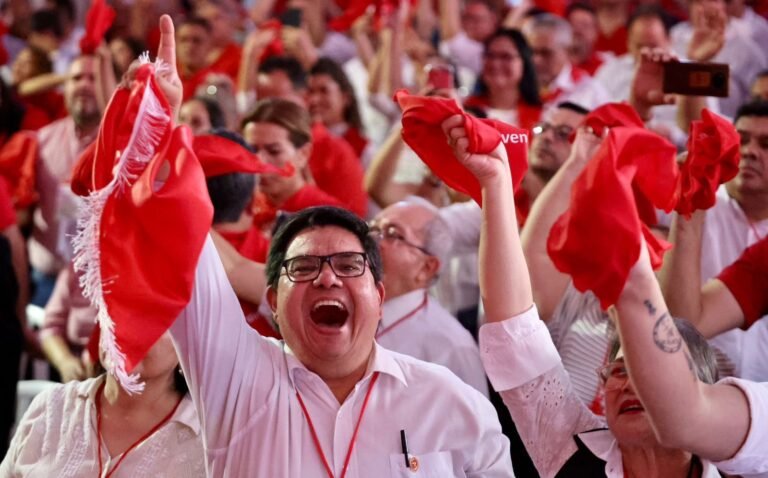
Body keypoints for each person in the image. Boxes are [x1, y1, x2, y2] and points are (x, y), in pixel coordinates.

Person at [438, 108, 767, 476]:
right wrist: (496, 183)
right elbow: (515, 326)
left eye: (645, 370)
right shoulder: (566, 445)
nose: (630, 384)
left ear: (702, 389)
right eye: (619, 371)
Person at [1, 332, 205, 477]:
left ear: (188, 339)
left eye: (157, 316)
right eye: (119, 308)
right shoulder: (53, 405)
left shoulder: (205, 443)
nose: (131, 328)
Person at [369, 199, 488, 395]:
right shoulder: (345, 308)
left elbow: (474, 424)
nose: (373, 239)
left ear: (427, 268)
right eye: (373, 228)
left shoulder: (452, 347)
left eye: (392, 234)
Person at [521, 13, 609, 111]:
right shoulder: (514, 87)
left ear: (567, 51)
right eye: (531, 52)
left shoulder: (590, 92)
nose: (536, 60)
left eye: (546, 53)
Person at [464, 28, 542, 129]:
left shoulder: (545, 115)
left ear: (524, 62)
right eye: (490, 55)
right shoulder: (465, 111)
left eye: (506, 57)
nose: (495, 64)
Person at [308, 57, 369, 159]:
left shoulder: (363, 148)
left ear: (345, 98)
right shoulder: (302, 142)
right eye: (311, 92)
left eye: (324, 91)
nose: (314, 100)